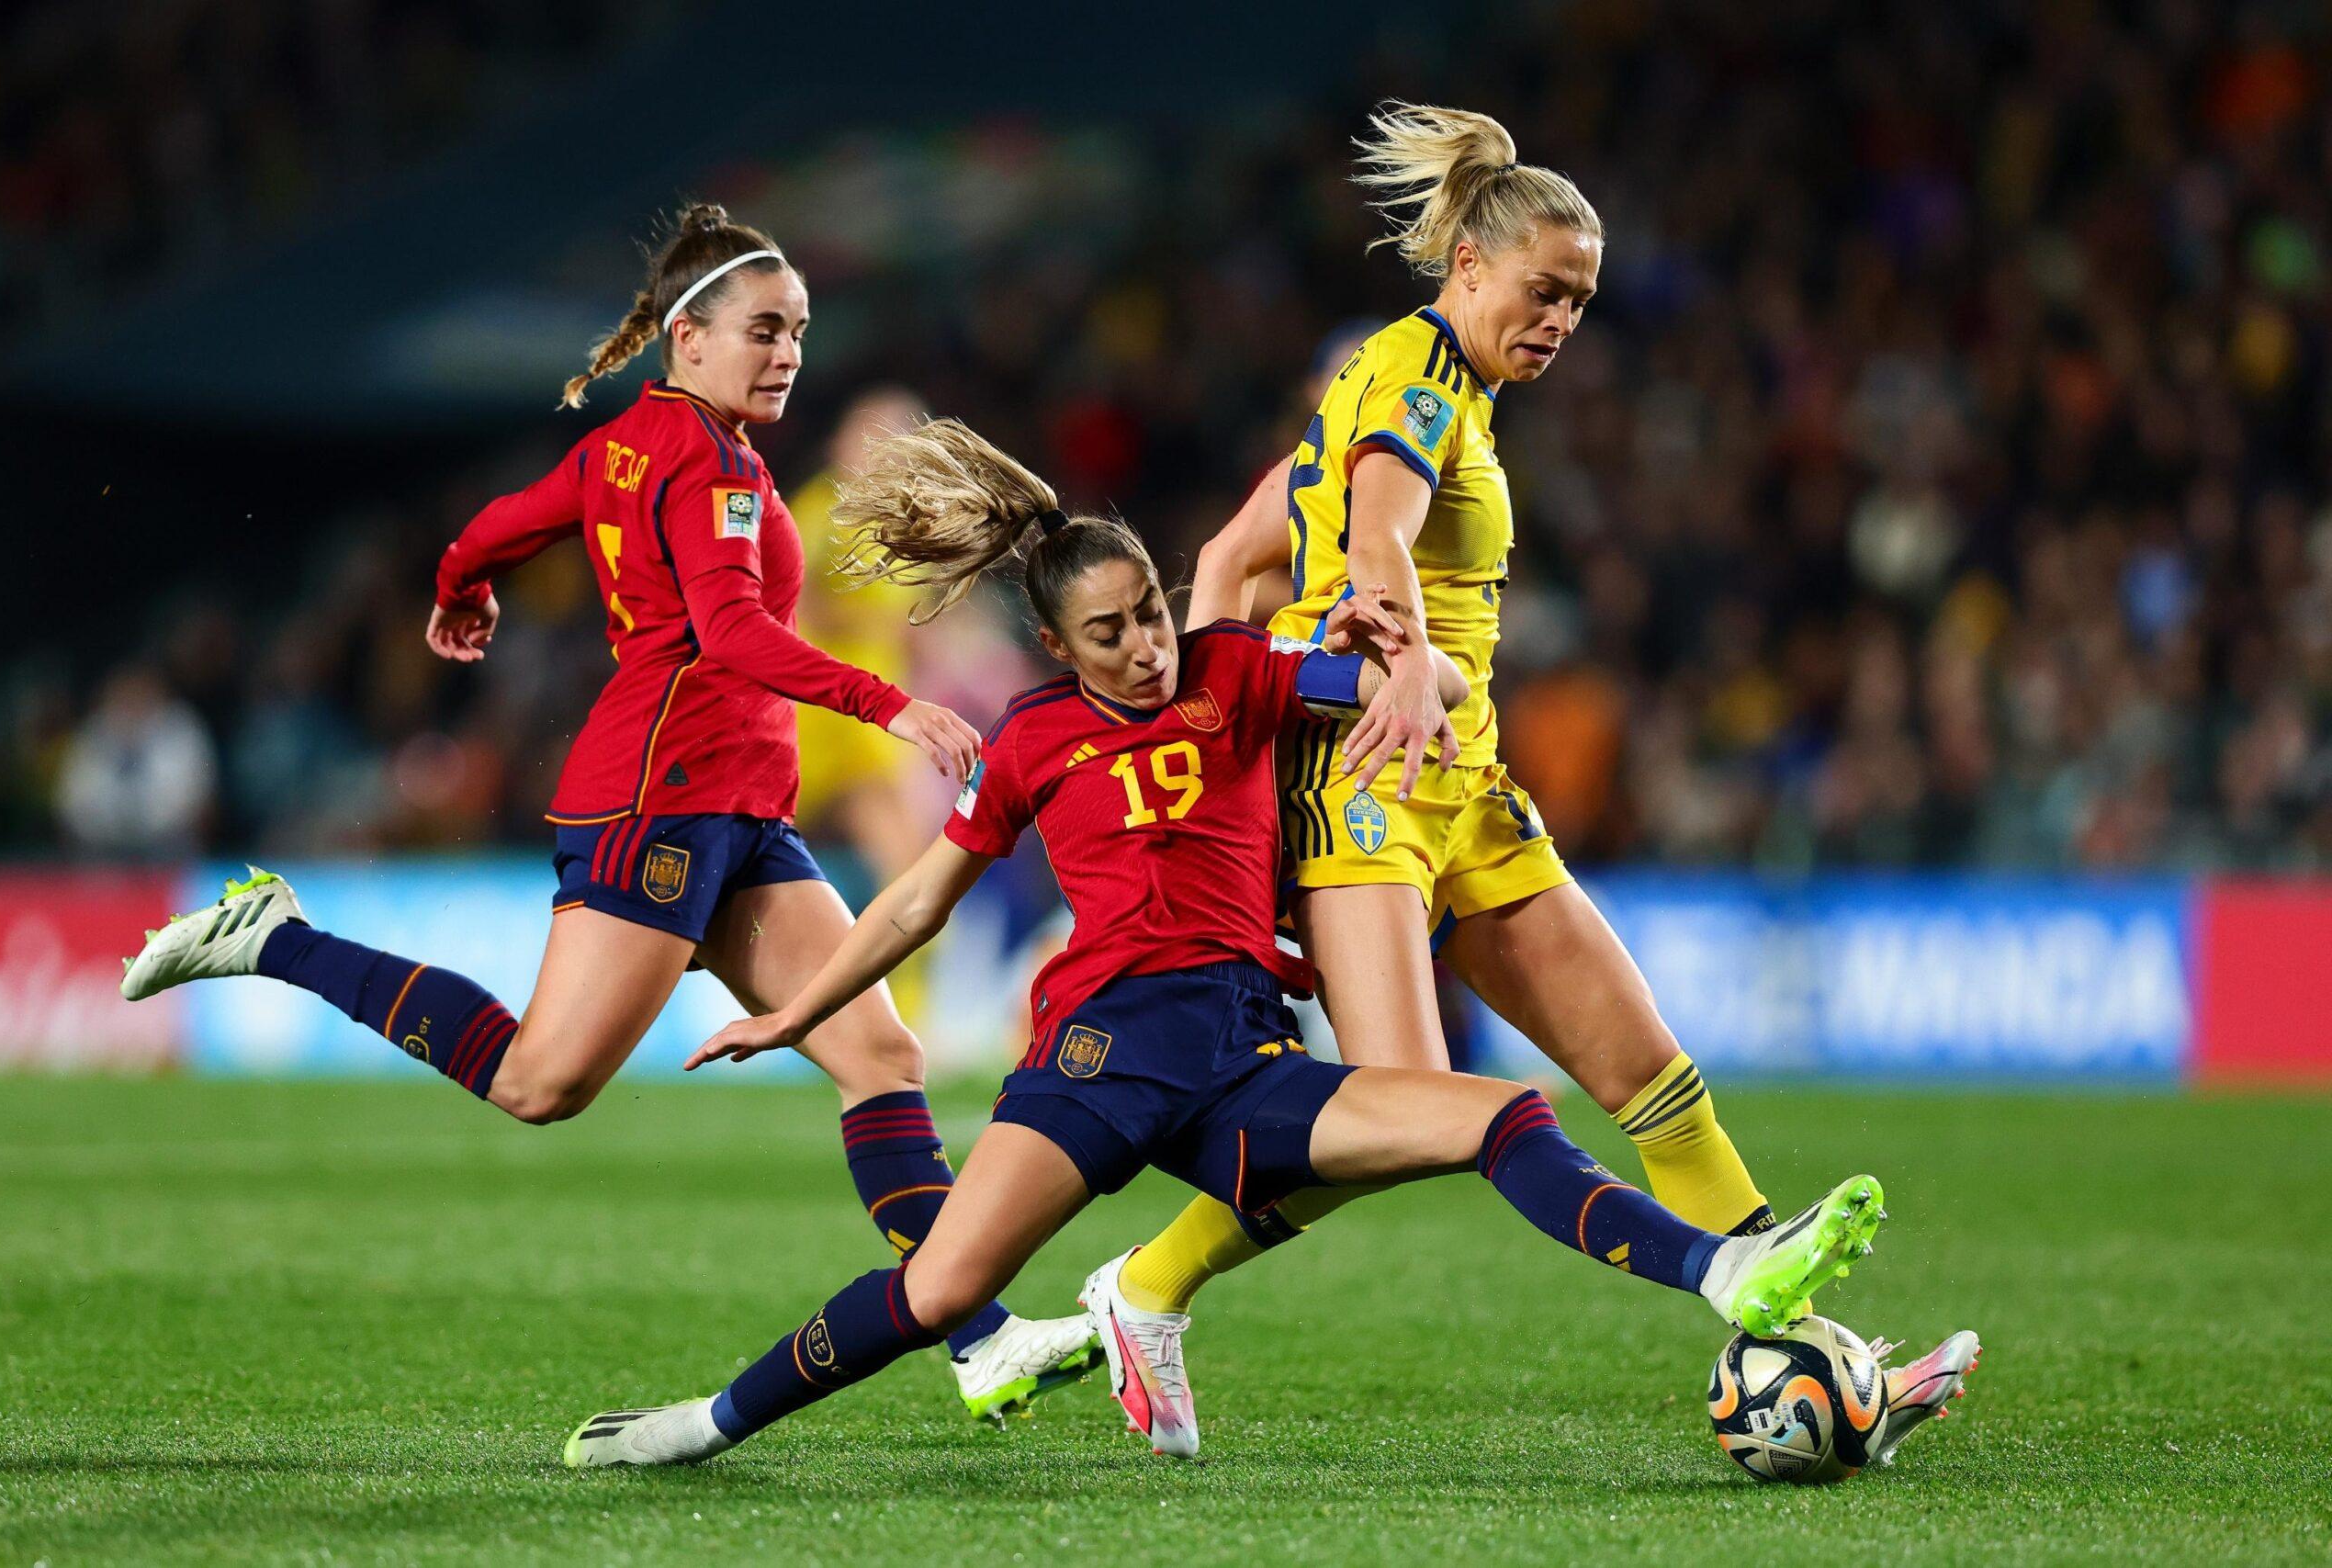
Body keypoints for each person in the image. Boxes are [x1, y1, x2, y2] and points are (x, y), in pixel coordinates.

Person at [558, 418, 1887, 1469]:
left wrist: (1425, 672)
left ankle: (1725, 1270)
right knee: (939, 1289)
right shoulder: (1031, 740)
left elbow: (1390, 682)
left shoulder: (1237, 669)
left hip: (1246, 1065)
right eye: (1110, 633)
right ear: (1051, 645)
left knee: (1497, 1117)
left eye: (1148, 610)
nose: (1145, 648)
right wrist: (798, 1014)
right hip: (1095, 1057)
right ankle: (700, 1426)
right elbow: (916, 903)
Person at [117, 203, 1097, 1424]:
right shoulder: (718, 469)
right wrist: (890, 705)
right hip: (666, 803)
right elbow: (735, 632)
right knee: (543, 1082)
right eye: (761, 330)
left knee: (875, 1052)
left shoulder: (626, 445)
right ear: (686, 337)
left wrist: (458, 590)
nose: (786, 351)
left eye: (797, 330)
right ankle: (275, 935)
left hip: (734, 804)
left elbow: (496, 526)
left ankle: (981, 1337)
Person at [1108, 105, 1981, 1461]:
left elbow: (1230, 562)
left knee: (1651, 1077)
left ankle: (1820, 1358)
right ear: (1467, 267)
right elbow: (1382, 524)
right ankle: (1146, 1285)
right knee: (1401, 1114)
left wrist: (1237, 688)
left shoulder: (1436, 393)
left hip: (1461, 784)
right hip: (1365, 786)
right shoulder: (1406, 384)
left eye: (1579, 299)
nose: (1562, 318)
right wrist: (1383, 660)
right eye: (1543, 290)